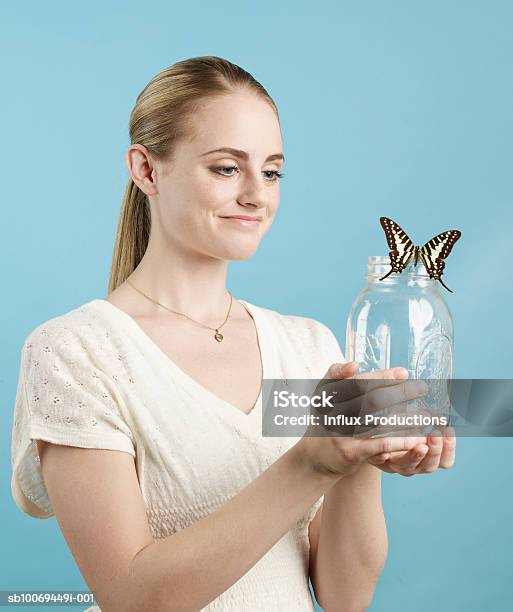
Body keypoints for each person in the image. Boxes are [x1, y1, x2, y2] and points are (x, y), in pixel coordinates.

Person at [11, 56, 456, 612]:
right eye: (226, 168)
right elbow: (131, 597)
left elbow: (346, 597)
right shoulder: (78, 353)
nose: (256, 194)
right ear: (146, 170)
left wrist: (357, 457)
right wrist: (312, 460)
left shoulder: (309, 347)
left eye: (271, 171)